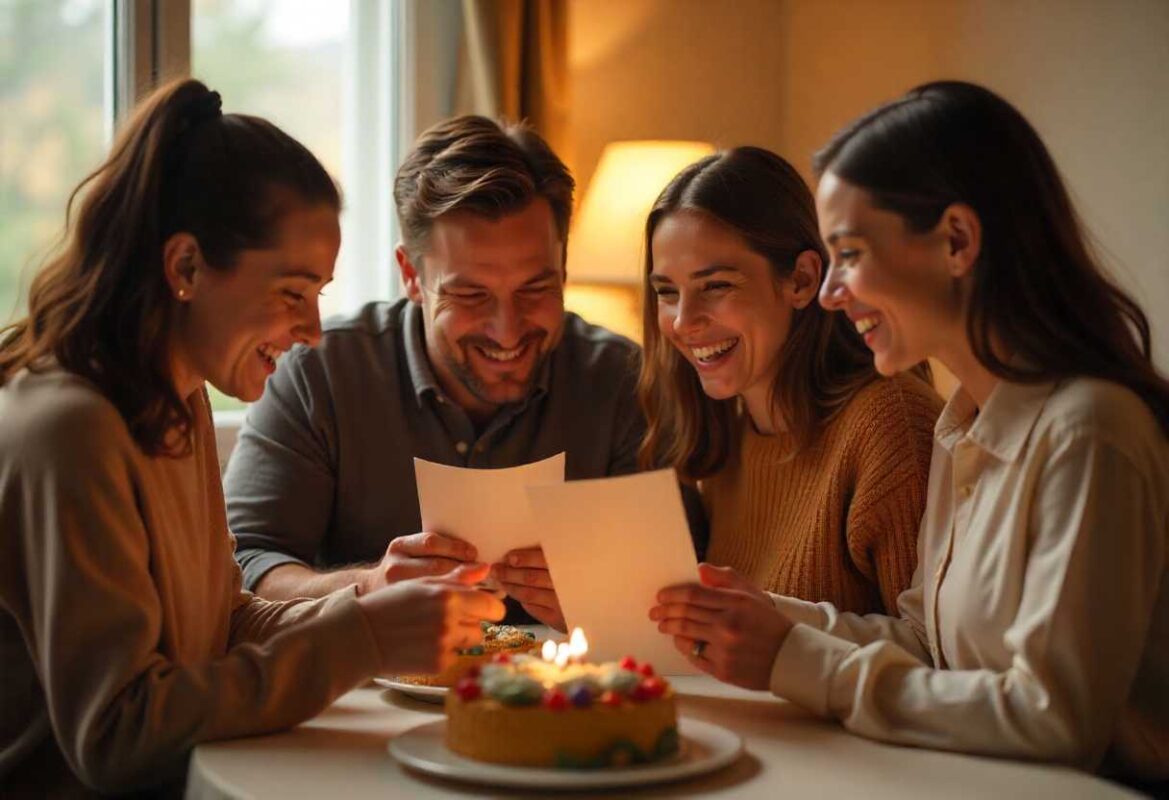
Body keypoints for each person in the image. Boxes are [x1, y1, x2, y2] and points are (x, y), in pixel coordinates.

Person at [650, 81, 1169, 785]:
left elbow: (1055, 721)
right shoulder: (964, 424)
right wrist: (764, 615)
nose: (830, 292)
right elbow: (926, 644)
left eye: (850, 254)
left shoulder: (1087, 432)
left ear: (956, 241)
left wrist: (795, 659)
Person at [0, 79, 504, 795]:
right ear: (185, 267)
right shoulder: (71, 430)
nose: (310, 331)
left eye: (319, 295)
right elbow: (116, 735)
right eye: (292, 292)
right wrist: (364, 639)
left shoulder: (174, 401)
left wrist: (367, 600)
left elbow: (221, 626)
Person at [223, 115, 655, 631]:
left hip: (567, 698)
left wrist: (605, 598)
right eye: (470, 295)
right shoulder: (319, 373)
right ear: (411, 275)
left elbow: (671, 588)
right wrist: (369, 587)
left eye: (535, 290)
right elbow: (246, 565)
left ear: (562, 268)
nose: (507, 330)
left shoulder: (623, 381)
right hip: (365, 700)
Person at [640, 146, 940, 615]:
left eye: (716, 286)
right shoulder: (726, 439)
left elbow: (933, 663)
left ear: (801, 280)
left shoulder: (890, 426)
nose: (683, 322)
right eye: (666, 292)